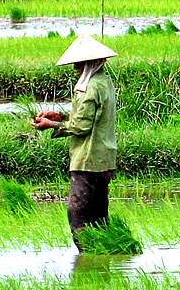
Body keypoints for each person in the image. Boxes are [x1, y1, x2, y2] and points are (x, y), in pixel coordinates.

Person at [30, 35, 118, 251]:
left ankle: (87, 258)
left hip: (87, 160)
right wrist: (58, 117)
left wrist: (51, 125)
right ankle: (102, 258)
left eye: (79, 64)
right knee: (99, 215)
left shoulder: (89, 88)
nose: (75, 69)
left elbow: (81, 127)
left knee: (77, 213)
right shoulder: (104, 82)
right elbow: (88, 117)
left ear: (89, 64)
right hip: (105, 158)